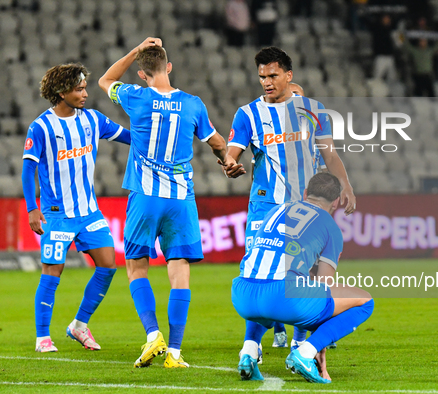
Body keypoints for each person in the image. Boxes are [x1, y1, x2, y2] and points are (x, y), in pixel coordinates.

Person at [98, 37, 243, 368]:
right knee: (180, 270)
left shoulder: (135, 96)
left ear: (141, 73)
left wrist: (135, 49)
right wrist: (226, 161)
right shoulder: (193, 104)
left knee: (136, 266)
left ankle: (153, 336)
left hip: (145, 197)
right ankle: (175, 353)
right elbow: (217, 141)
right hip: (180, 199)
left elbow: (105, 80)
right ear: (169, 67)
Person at [224, 46, 355, 366]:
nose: (266, 82)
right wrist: (229, 163)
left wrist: (346, 185)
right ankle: (251, 346)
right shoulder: (248, 114)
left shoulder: (312, 110)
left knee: (305, 273)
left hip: (304, 207)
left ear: (288, 76)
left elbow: (330, 154)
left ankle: (298, 340)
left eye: (272, 75)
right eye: (261, 77)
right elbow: (233, 151)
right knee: (258, 271)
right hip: (266, 206)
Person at [22, 63, 131, 353]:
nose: (85, 93)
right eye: (78, 88)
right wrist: (32, 209)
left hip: (89, 212)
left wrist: (156, 137)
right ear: (61, 92)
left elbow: (129, 137)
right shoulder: (41, 126)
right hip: (58, 216)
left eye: (84, 87)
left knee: (108, 265)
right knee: (52, 271)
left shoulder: (93, 120)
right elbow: (27, 169)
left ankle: (79, 325)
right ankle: (42, 336)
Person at [231, 173, 374, 383]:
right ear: (336, 202)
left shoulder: (275, 209)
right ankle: (305, 353)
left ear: (306, 193)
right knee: (365, 301)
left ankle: (249, 351)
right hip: (283, 297)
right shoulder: (330, 226)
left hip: (242, 294)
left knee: (268, 284)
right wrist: (320, 340)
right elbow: (323, 285)